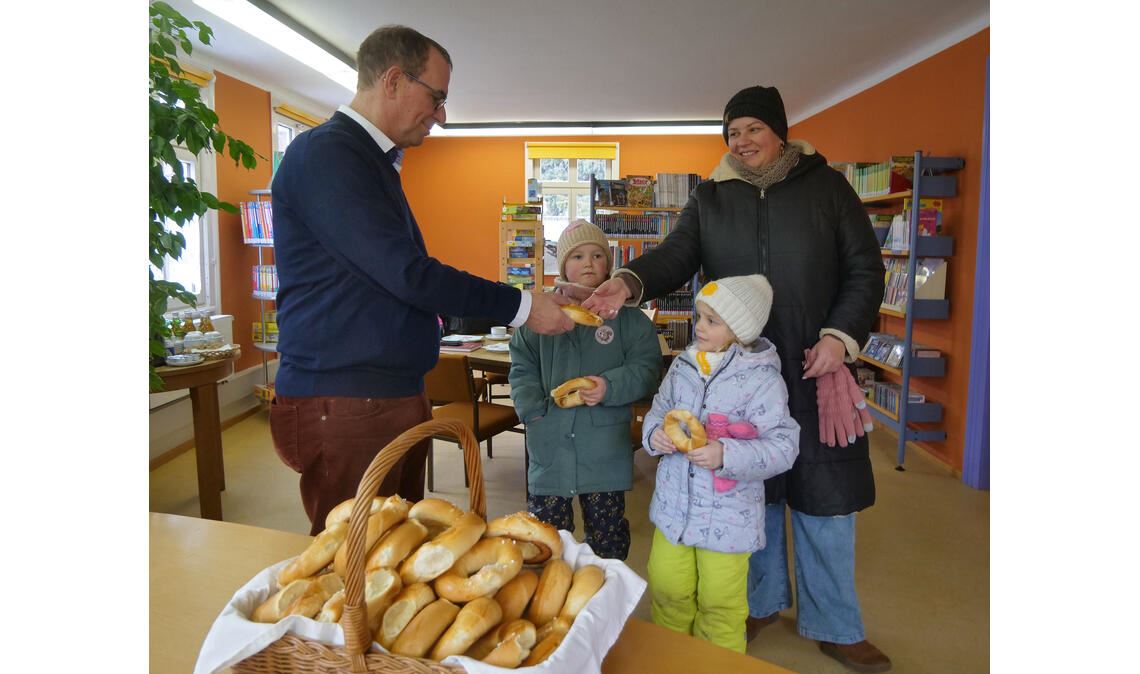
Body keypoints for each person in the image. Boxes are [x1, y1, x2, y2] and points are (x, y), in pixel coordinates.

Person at [584, 85, 890, 671]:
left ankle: (836, 623)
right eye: (732, 132)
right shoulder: (711, 196)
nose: (742, 141)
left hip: (815, 364)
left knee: (826, 500)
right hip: (733, 370)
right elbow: (676, 254)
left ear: (779, 132)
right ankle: (760, 602)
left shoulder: (828, 188)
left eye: (753, 128)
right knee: (750, 489)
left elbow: (864, 268)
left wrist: (839, 337)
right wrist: (628, 281)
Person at [268, 25, 573, 535]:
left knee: (400, 549)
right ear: (393, 81)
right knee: (355, 559)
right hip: (347, 397)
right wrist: (523, 307)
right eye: (436, 97)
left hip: (384, 394)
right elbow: (407, 274)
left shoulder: (369, 162)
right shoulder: (328, 155)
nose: (441, 115)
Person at [642, 274, 800, 654]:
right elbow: (659, 410)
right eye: (700, 316)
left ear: (739, 330)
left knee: (720, 604)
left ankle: (716, 663)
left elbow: (783, 446)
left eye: (712, 320)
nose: (699, 326)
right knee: (666, 587)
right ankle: (671, 657)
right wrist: (654, 435)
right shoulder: (682, 365)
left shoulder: (763, 380)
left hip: (729, 521)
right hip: (674, 511)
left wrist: (726, 454)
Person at [508, 220, 661, 559]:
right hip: (549, 444)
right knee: (546, 542)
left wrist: (610, 386)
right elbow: (522, 367)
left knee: (608, 541)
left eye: (597, 255)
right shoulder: (538, 316)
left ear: (609, 264)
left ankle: (606, 590)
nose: (588, 263)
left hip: (604, 450)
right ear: (563, 265)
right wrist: (532, 411)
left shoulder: (631, 321)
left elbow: (647, 370)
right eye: (577, 256)